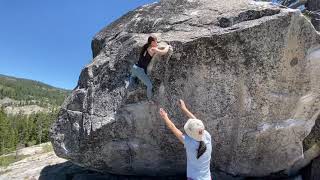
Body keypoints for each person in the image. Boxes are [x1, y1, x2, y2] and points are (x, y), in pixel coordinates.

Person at [159, 99, 212, 180]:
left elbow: (173, 128)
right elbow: (197, 124)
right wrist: (184, 109)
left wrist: (165, 116)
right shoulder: (207, 136)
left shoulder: (189, 143)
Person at [126, 35, 171, 101]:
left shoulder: (146, 46)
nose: (157, 43)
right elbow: (163, 52)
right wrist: (168, 46)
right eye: (156, 42)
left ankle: (128, 89)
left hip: (134, 67)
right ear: (152, 42)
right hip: (140, 71)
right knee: (150, 86)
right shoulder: (152, 49)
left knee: (133, 77)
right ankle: (150, 100)